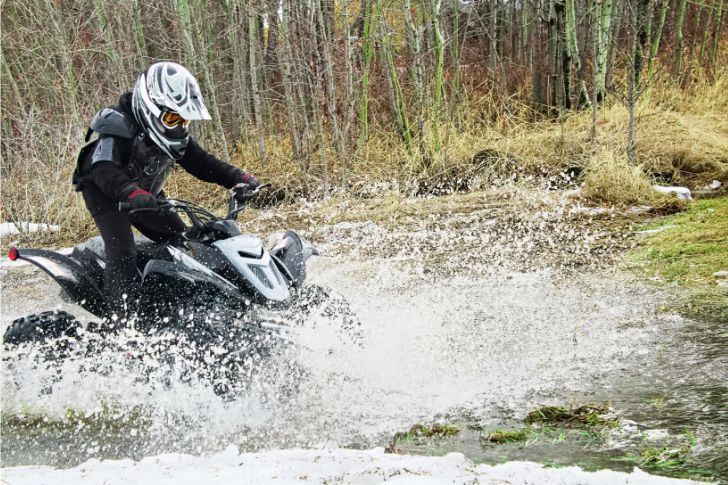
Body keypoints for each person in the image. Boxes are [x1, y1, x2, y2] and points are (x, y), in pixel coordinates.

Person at [73, 61, 259, 318]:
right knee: (122, 251)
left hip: (144, 194)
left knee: (183, 243)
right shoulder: (118, 128)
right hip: (106, 193)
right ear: (150, 107)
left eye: (184, 119)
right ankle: (121, 324)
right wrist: (131, 193)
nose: (179, 126)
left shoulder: (174, 134)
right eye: (172, 118)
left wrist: (238, 178)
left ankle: (171, 307)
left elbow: (202, 163)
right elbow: (103, 168)